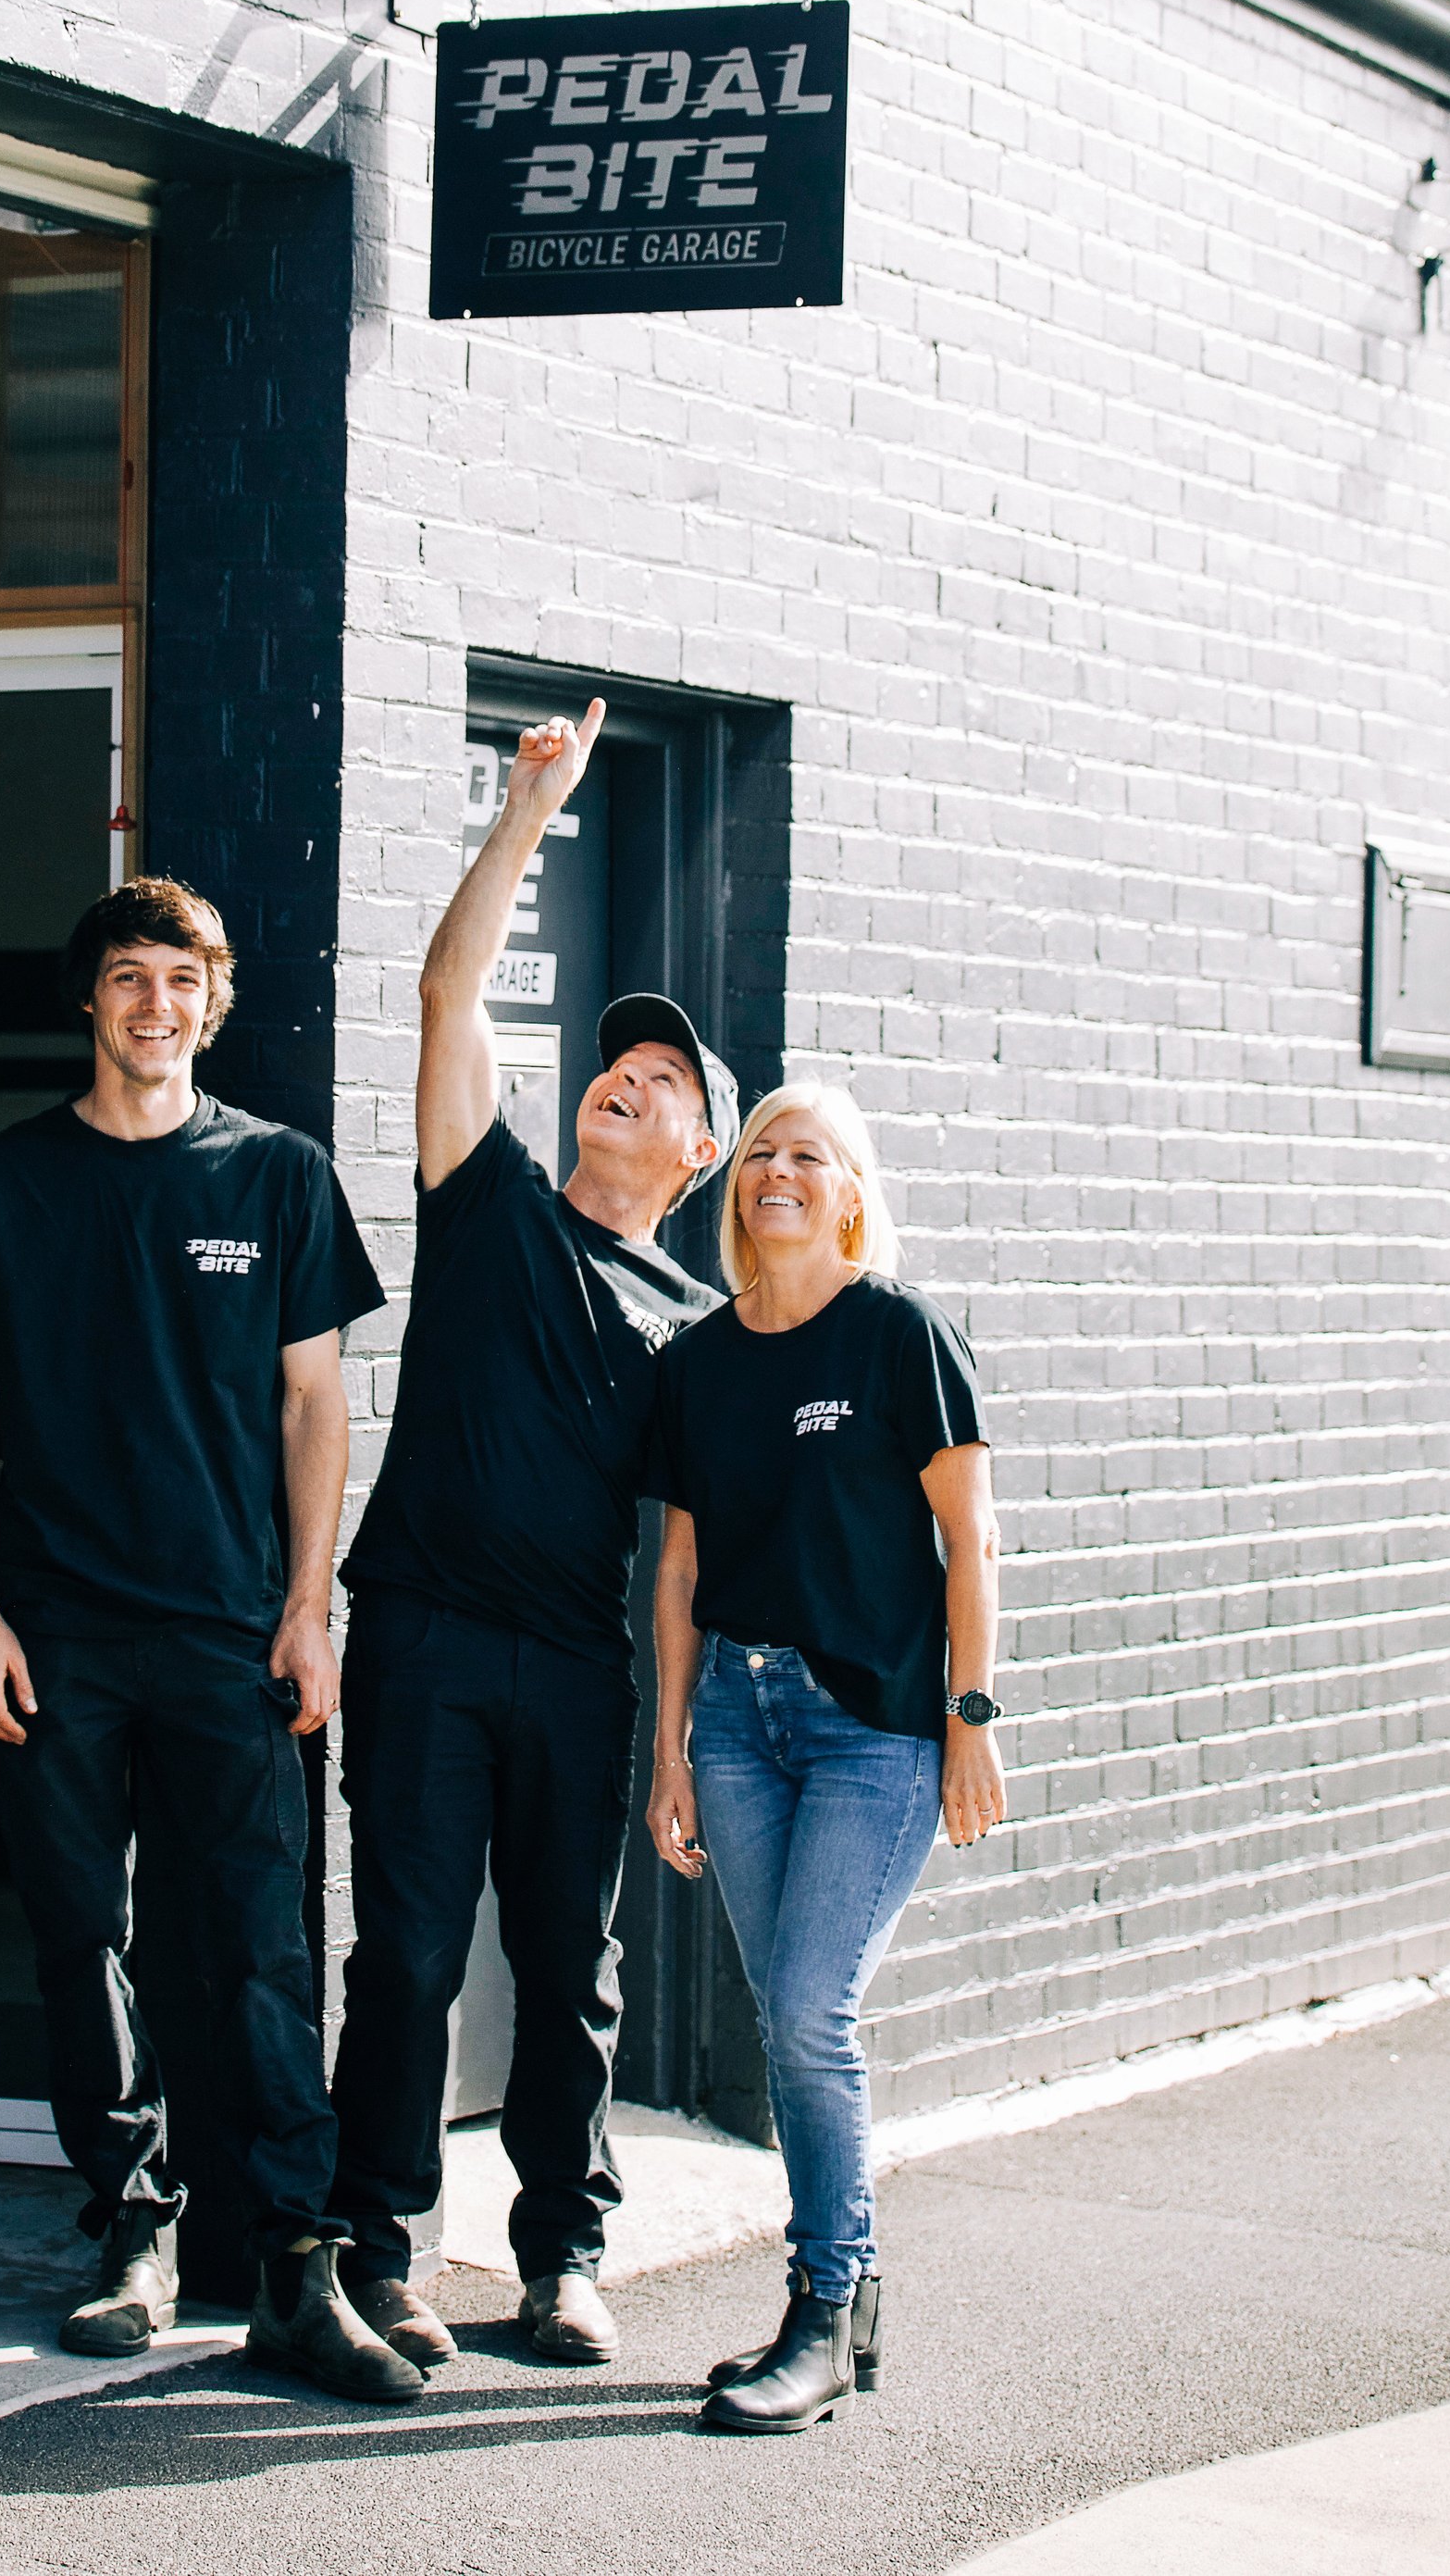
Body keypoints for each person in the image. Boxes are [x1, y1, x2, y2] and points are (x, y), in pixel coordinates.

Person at [0, 875, 421, 2404]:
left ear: (214, 1002)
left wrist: (306, 1607)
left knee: (260, 1947)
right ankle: (131, 2225)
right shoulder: (7, 1180)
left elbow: (316, 1401)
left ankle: (296, 2269)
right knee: (87, 1939)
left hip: (227, 1636)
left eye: (180, 980)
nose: (155, 1004)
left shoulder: (276, 1177)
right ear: (92, 1001)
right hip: (53, 1632)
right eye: (128, 977)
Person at [328, 702, 736, 2370]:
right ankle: (378, 2245)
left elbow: (705, 1552)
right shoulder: (485, 1197)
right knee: (411, 1954)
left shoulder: (703, 1324)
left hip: (575, 1670)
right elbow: (448, 992)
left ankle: (563, 2255)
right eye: (618, 1069)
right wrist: (528, 819)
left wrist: (687, 1736)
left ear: (700, 1152)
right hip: (422, 1636)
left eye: (662, 1090)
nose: (625, 1089)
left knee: (572, 1971)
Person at [647, 1078, 1005, 2433]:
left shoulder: (898, 1335)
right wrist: (672, 1746)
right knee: (793, 2015)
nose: (776, 1172)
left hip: (872, 1725)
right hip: (736, 1722)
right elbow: (679, 1566)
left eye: (807, 1154)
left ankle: (825, 2295)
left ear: (850, 1190)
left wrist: (969, 1720)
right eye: (758, 1155)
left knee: (807, 2012)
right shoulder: (698, 1362)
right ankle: (839, 2305)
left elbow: (971, 1541)